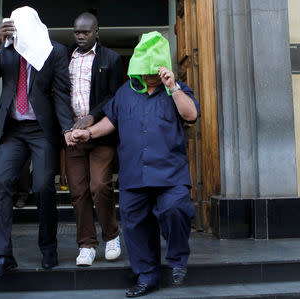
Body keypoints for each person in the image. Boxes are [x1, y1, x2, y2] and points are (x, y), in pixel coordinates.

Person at [71, 32, 200, 297]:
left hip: (170, 174)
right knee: (136, 227)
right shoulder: (125, 91)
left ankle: (177, 260)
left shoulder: (176, 88)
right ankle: (146, 276)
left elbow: (192, 114)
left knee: (176, 210)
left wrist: (173, 87)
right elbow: (111, 120)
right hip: (134, 173)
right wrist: (90, 132)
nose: (150, 75)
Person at [0, 6, 75, 280]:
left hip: (41, 130)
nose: (17, 33)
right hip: (13, 131)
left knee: (43, 186)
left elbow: (61, 94)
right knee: (0, 181)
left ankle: (49, 249)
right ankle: (2, 256)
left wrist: (67, 129)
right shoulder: (7, 50)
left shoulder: (54, 51)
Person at [66, 12, 124, 266]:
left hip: (100, 134)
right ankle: (87, 245)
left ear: (96, 32)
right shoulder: (63, 58)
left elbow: (114, 95)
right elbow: (56, 94)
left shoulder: (110, 58)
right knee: (78, 191)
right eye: (77, 32)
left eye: (85, 32)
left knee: (99, 186)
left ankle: (111, 235)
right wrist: (65, 129)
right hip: (72, 136)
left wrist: (92, 116)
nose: (80, 36)